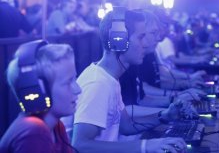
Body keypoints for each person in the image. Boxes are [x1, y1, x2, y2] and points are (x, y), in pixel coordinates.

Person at [72, 8, 187, 153]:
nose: (145, 44)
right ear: (119, 41)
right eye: (140, 37)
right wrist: (146, 147)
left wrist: (164, 116)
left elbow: (126, 126)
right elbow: (80, 145)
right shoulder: (97, 84)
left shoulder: (110, 79)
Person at [0, 40, 81, 153]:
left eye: (74, 79)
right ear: (39, 90)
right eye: (68, 82)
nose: (78, 90)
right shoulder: (33, 132)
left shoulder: (57, 127)